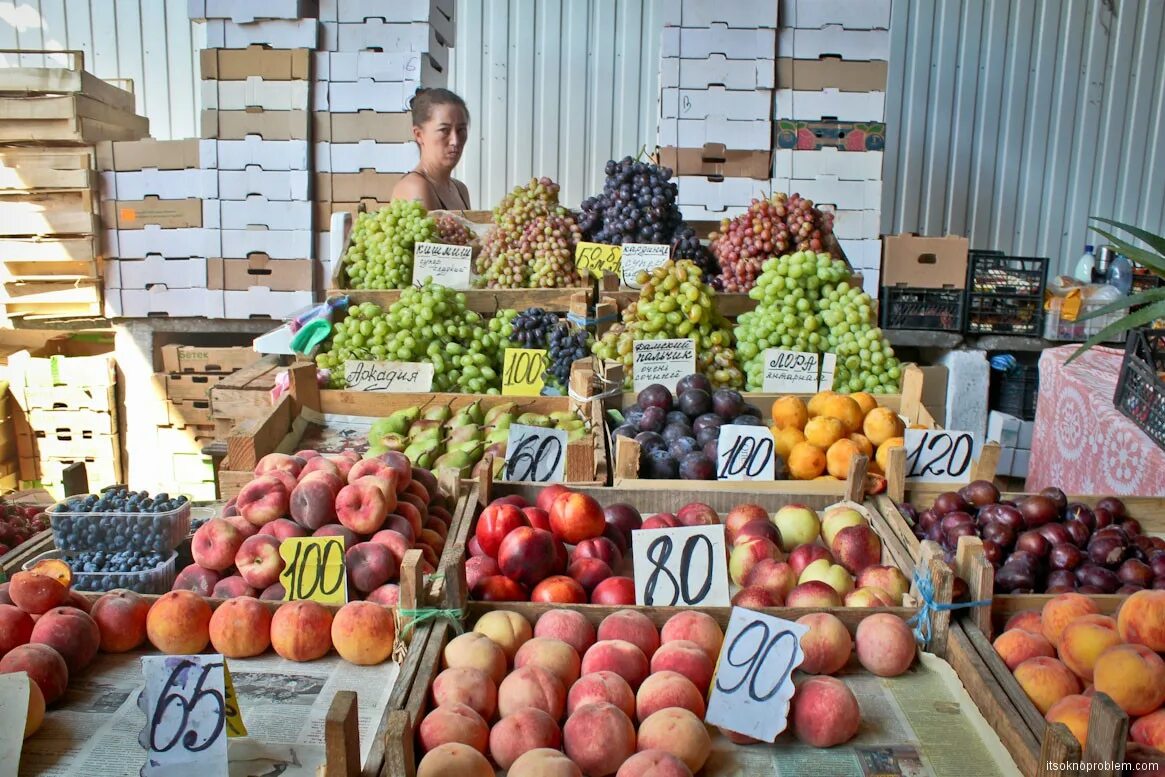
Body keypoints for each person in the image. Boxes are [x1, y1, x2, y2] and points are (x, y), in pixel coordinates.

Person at [391, 87, 471, 210]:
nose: (455, 141)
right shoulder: (415, 187)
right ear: (419, 135)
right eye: (444, 130)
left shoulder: (460, 189)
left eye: (461, 130)